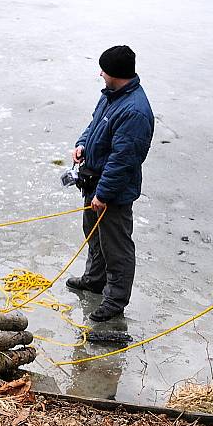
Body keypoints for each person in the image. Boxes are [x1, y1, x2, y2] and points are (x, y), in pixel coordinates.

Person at [66, 45, 154, 322]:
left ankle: (115, 301)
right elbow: (94, 126)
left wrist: (104, 194)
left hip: (112, 193)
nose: (100, 73)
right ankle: (94, 279)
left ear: (114, 73)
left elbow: (124, 159)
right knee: (93, 235)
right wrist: (82, 145)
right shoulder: (110, 96)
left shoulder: (135, 112)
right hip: (94, 182)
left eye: (103, 69)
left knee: (116, 248)